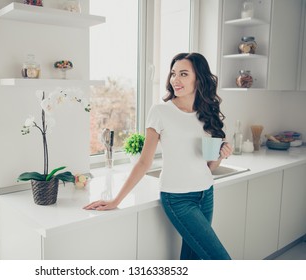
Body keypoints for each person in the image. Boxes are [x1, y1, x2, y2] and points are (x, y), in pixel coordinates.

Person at [84, 52, 233, 260]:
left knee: (193, 259)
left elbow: (209, 167)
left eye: (183, 74)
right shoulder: (161, 111)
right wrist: (116, 199)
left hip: (206, 193)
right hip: (178, 198)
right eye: (173, 74)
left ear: (199, 78)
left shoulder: (207, 113)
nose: (175, 80)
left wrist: (221, 155)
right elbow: (144, 162)